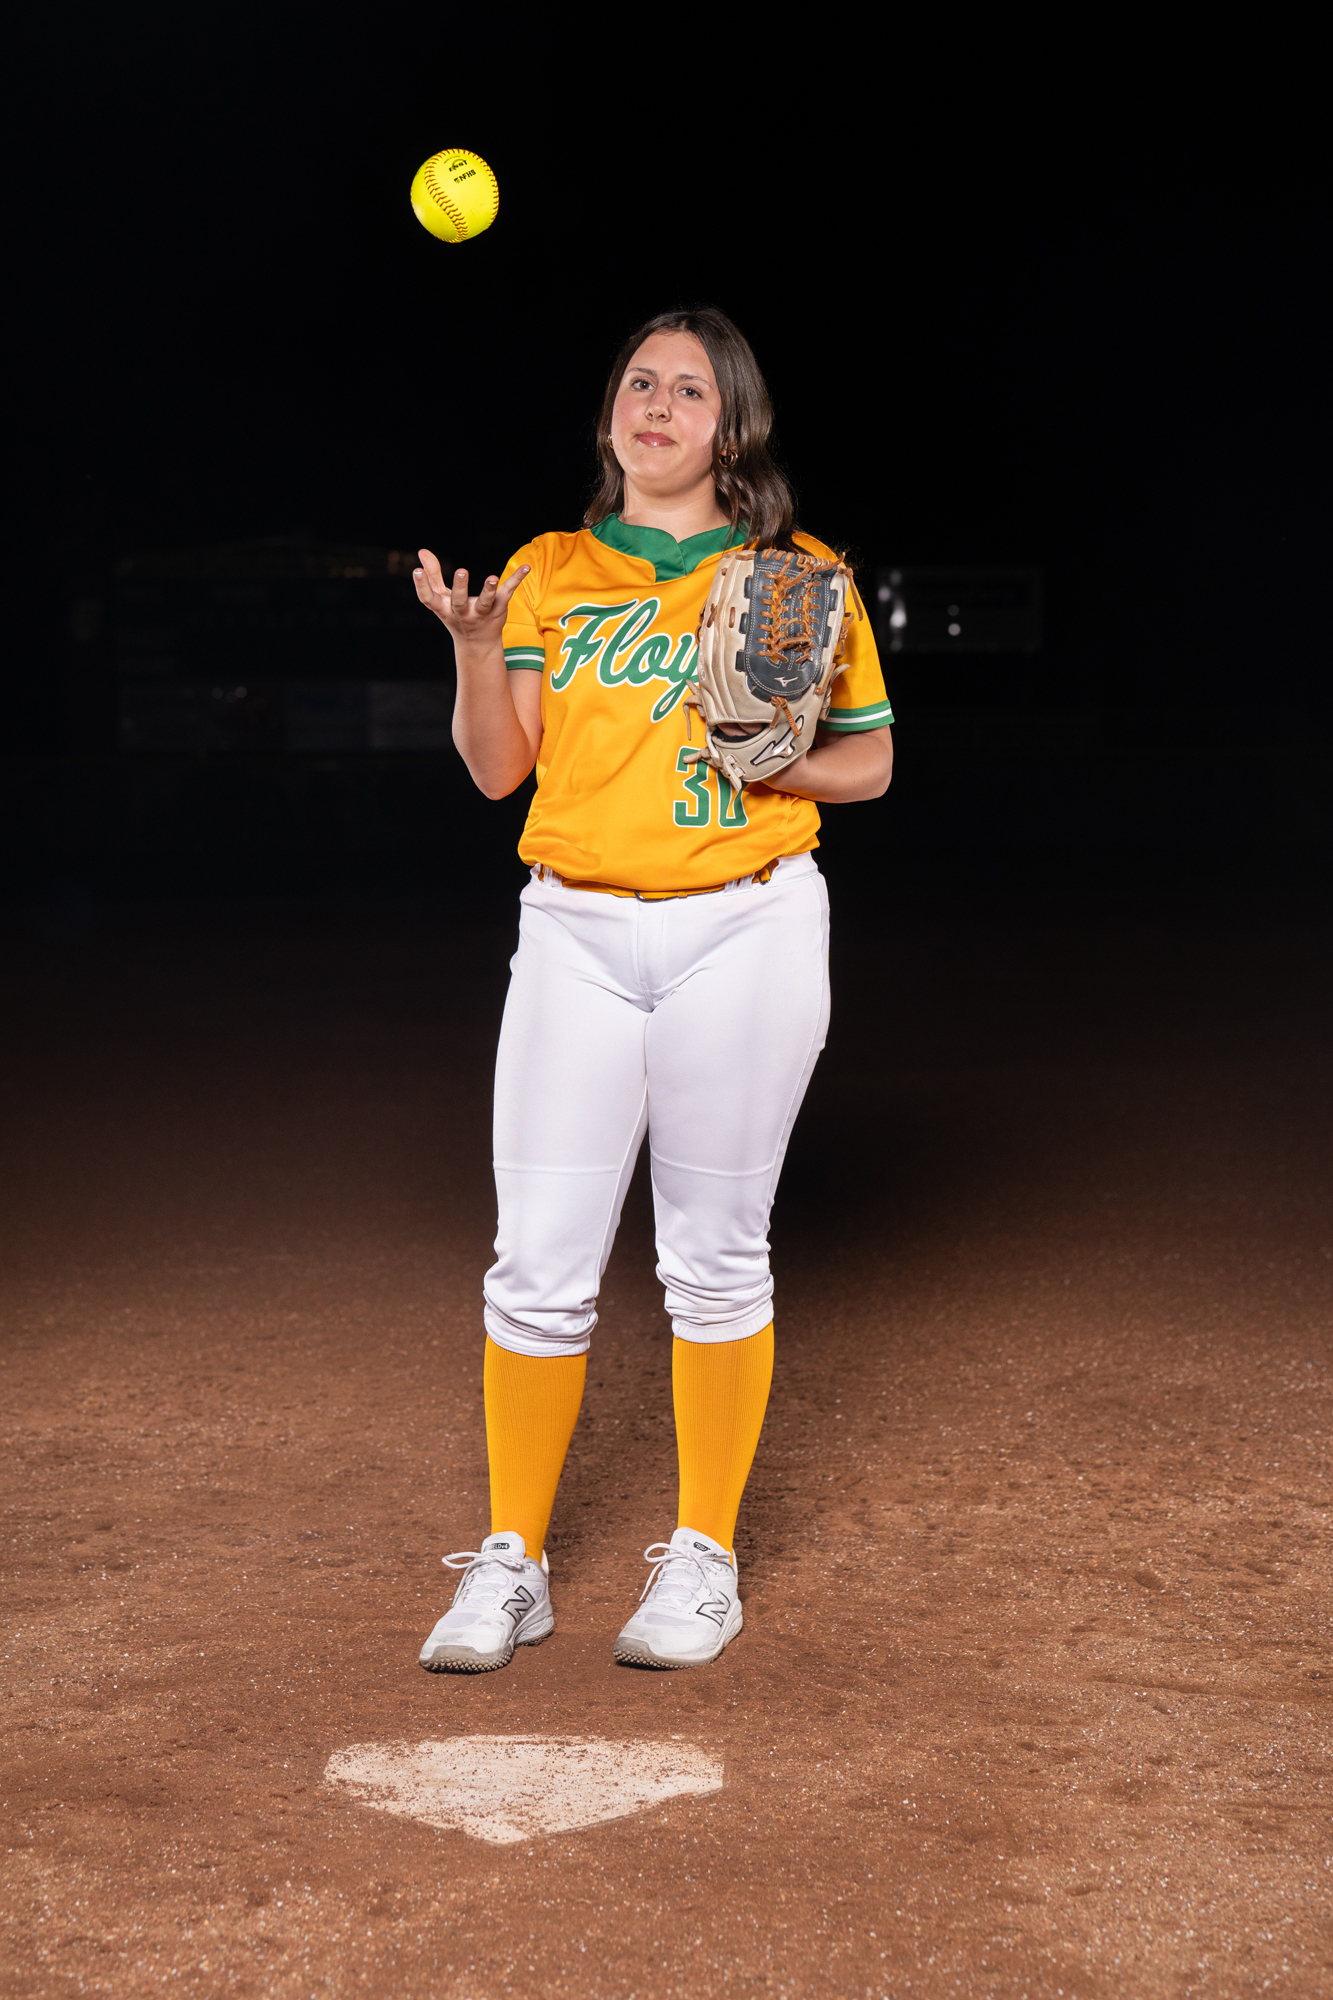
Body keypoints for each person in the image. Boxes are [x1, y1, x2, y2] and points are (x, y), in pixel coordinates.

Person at [412, 306, 893, 1673]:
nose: (657, 406)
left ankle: (703, 1557)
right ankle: (512, 1561)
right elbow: (497, 771)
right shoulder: (549, 569)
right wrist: (475, 644)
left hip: (744, 926)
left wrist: (770, 760)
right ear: (611, 414)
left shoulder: (794, 578)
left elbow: (868, 766)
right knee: (535, 1261)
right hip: (573, 928)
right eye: (639, 383)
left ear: (731, 428)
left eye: (689, 389)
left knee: (713, 1256)